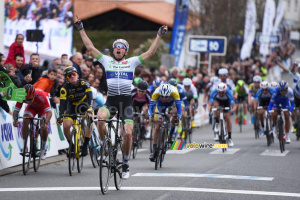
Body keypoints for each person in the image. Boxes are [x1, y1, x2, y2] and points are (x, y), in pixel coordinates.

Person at [74, 15, 168, 180]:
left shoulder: (131, 62)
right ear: (113, 50)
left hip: (126, 104)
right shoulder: (106, 61)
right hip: (111, 102)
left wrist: (159, 34)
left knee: (127, 133)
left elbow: (150, 52)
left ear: (125, 50)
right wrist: (81, 28)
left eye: (121, 47)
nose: (118, 49)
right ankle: (104, 147)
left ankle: (125, 162)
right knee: (100, 119)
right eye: (116, 47)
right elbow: (89, 46)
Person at [57, 67, 94, 156]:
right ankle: (71, 145)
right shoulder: (64, 88)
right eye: (70, 75)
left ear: (77, 75)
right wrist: (61, 115)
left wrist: (89, 109)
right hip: (72, 106)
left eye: (74, 74)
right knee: (66, 125)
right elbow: (63, 104)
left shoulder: (84, 83)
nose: (72, 76)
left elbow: (90, 96)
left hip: (84, 105)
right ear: (67, 79)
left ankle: (85, 146)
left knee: (90, 119)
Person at [13, 84, 52, 160]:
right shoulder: (21, 96)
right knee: (25, 122)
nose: (28, 101)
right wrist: (15, 120)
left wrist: (45, 123)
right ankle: (25, 146)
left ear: (34, 95)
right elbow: (16, 111)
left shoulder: (41, 95)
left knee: (43, 127)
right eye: (26, 100)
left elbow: (49, 112)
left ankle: (43, 149)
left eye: (30, 99)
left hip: (42, 109)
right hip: (32, 108)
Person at [148, 83, 182, 161]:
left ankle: (169, 134)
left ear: (169, 94)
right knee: (157, 127)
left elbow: (179, 108)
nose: (164, 98)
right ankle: (154, 151)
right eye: (162, 96)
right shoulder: (156, 92)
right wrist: (150, 115)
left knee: (173, 115)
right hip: (160, 106)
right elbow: (150, 108)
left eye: (166, 97)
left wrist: (178, 117)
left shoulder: (174, 92)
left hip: (171, 104)